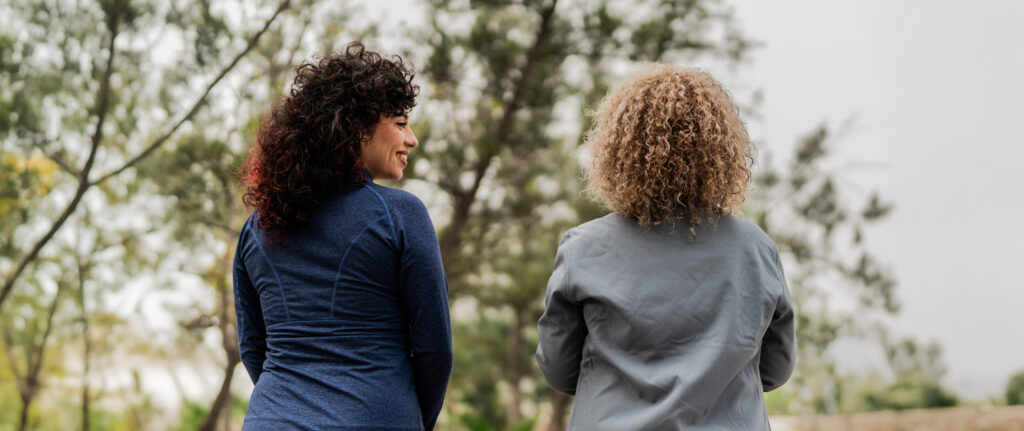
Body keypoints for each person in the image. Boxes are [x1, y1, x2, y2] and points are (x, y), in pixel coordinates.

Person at [535, 64, 796, 430]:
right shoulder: (757, 250)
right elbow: (776, 369)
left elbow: (558, 369)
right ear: (721, 149)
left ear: (618, 149)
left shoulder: (582, 248)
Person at [233, 42, 452, 430]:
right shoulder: (401, 215)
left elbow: (253, 347)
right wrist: (415, 419)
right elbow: (435, 350)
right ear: (356, 129)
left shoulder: (257, 226)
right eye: (400, 123)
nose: (412, 139)